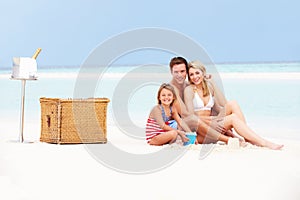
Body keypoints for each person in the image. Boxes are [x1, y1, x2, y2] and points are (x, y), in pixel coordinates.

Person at [184, 60, 284, 150]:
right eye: (191, 75)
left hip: (214, 124)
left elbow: (224, 104)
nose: (195, 77)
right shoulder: (189, 90)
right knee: (232, 118)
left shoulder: (209, 87)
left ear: (203, 73)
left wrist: (213, 83)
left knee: (233, 103)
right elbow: (191, 116)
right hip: (202, 129)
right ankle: (264, 143)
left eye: (197, 73)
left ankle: (247, 137)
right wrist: (213, 119)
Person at [168, 57, 232, 144]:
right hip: (178, 125)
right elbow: (185, 114)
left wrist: (207, 80)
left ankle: (232, 134)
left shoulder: (188, 85)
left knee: (229, 107)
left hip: (193, 123)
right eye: (176, 72)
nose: (179, 75)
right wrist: (212, 120)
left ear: (186, 72)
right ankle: (227, 139)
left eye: (182, 71)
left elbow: (218, 106)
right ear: (171, 72)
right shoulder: (171, 89)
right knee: (196, 118)